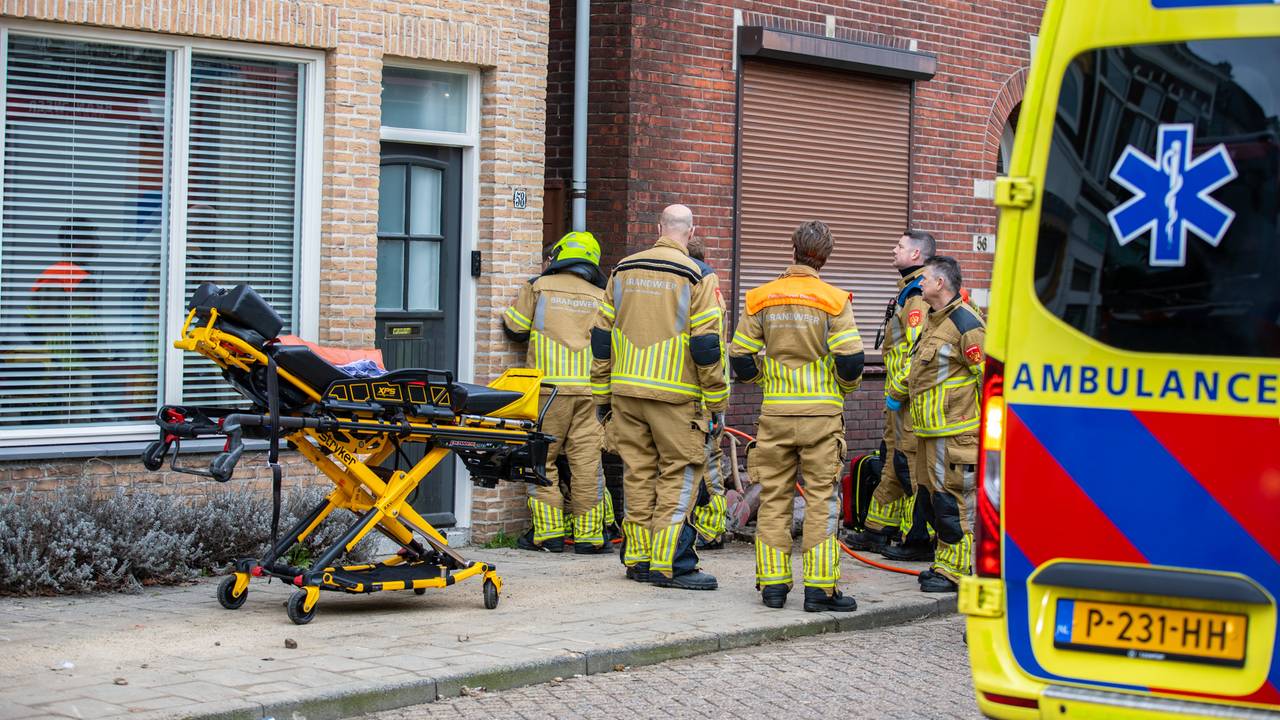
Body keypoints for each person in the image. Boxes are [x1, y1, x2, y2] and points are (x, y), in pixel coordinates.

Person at [728, 220, 863, 612]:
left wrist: (762, 378)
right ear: (826, 256)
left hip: (775, 415)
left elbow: (739, 355)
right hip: (822, 416)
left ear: (794, 249)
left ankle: (772, 587)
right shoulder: (834, 300)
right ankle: (820, 591)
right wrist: (842, 386)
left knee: (772, 498)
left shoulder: (761, 298)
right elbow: (851, 358)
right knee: (822, 498)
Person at [591, 204, 727, 590]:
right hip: (677, 397)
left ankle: (637, 558)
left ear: (658, 228)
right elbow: (706, 345)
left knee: (638, 473)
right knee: (681, 475)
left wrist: (603, 395)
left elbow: (600, 336)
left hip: (626, 392)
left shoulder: (622, 269)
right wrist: (716, 401)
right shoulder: (699, 275)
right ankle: (671, 565)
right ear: (691, 231)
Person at [503, 231, 612, 554]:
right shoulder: (600, 295)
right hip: (590, 395)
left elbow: (515, 327)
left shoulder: (538, 287)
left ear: (559, 255)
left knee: (542, 461)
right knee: (587, 464)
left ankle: (548, 535)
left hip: (549, 394)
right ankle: (590, 537)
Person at [888, 255, 984, 593]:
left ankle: (957, 571)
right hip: (928, 431)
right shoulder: (932, 319)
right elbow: (919, 366)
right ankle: (944, 564)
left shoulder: (966, 323)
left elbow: (987, 378)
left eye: (924, 279)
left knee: (951, 502)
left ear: (940, 284)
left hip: (955, 433)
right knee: (931, 499)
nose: (919, 284)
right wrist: (897, 393)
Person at [849, 230, 937, 560]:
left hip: (908, 398)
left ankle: (920, 538)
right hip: (898, 398)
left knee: (909, 465)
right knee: (891, 459)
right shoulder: (908, 290)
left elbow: (916, 350)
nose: (893, 249)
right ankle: (877, 531)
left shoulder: (916, 295)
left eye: (899, 246)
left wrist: (900, 392)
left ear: (916, 255)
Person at [686, 236, 728, 551]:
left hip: (701, 395)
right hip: (706, 392)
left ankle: (712, 530)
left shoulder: (699, 289)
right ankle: (706, 527)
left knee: (709, 465)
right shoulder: (710, 291)